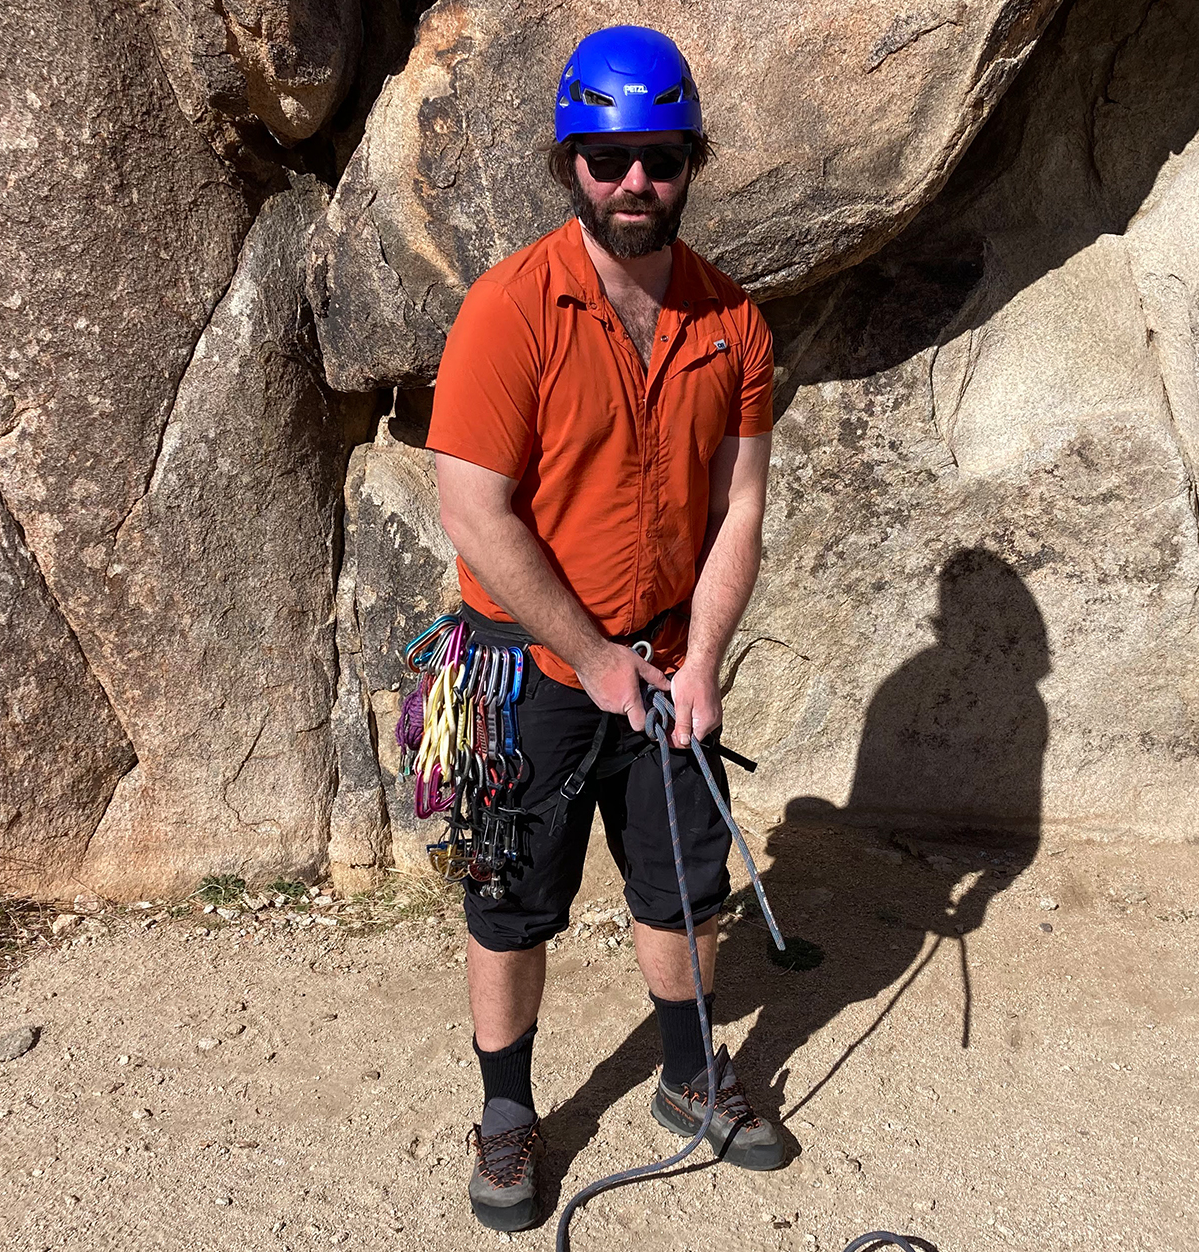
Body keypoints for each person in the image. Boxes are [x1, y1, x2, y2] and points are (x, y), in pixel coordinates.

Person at [424, 24, 780, 1232]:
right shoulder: (510, 309)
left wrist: (702, 662)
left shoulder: (731, 321)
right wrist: (590, 656)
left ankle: (688, 1077)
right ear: (568, 161)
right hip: (526, 665)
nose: (636, 183)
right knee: (511, 898)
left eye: (661, 158)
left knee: (684, 884)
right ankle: (510, 1114)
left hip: (669, 652)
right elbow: (471, 504)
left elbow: (739, 507)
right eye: (607, 157)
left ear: (691, 161)